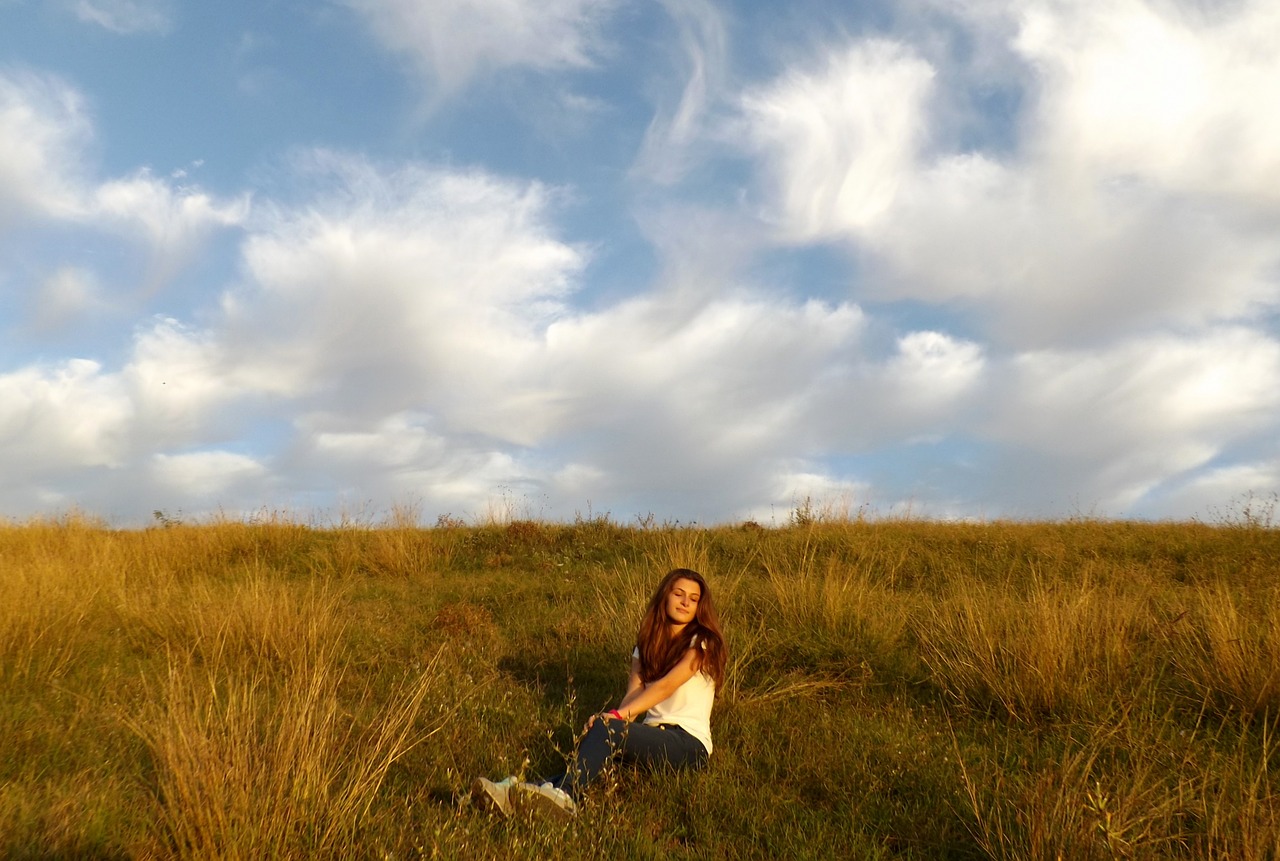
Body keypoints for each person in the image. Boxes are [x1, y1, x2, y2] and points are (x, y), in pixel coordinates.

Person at [471, 567, 727, 819]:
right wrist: (612, 720)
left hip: (688, 744)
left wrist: (612, 720)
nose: (685, 603)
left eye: (693, 599)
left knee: (603, 733)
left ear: (699, 608)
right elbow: (634, 694)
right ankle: (509, 794)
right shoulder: (646, 645)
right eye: (678, 594)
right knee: (585, 759)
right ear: (665, 596)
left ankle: (565, 796)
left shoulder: (702, 641)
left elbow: (667, 685)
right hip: (651, 736)